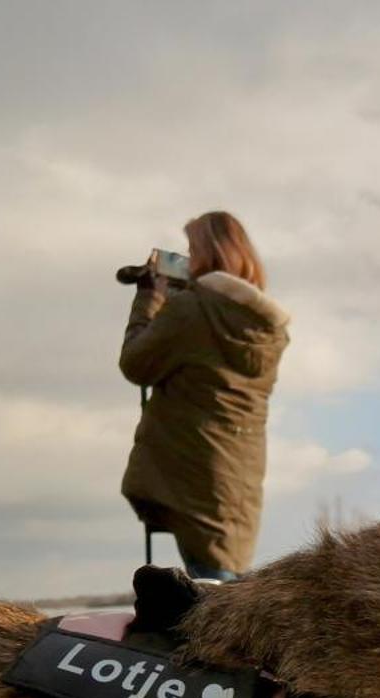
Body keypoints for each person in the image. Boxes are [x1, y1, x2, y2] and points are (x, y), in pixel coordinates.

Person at [119, 211, 289, 582]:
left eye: (193, 251)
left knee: (209, 613)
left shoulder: (193, 311)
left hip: (192, 473)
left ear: (210, 255)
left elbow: (136, 363)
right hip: (236, 481)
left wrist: (150, 297)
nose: (190, 261)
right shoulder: (266, 326)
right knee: (223, 593)